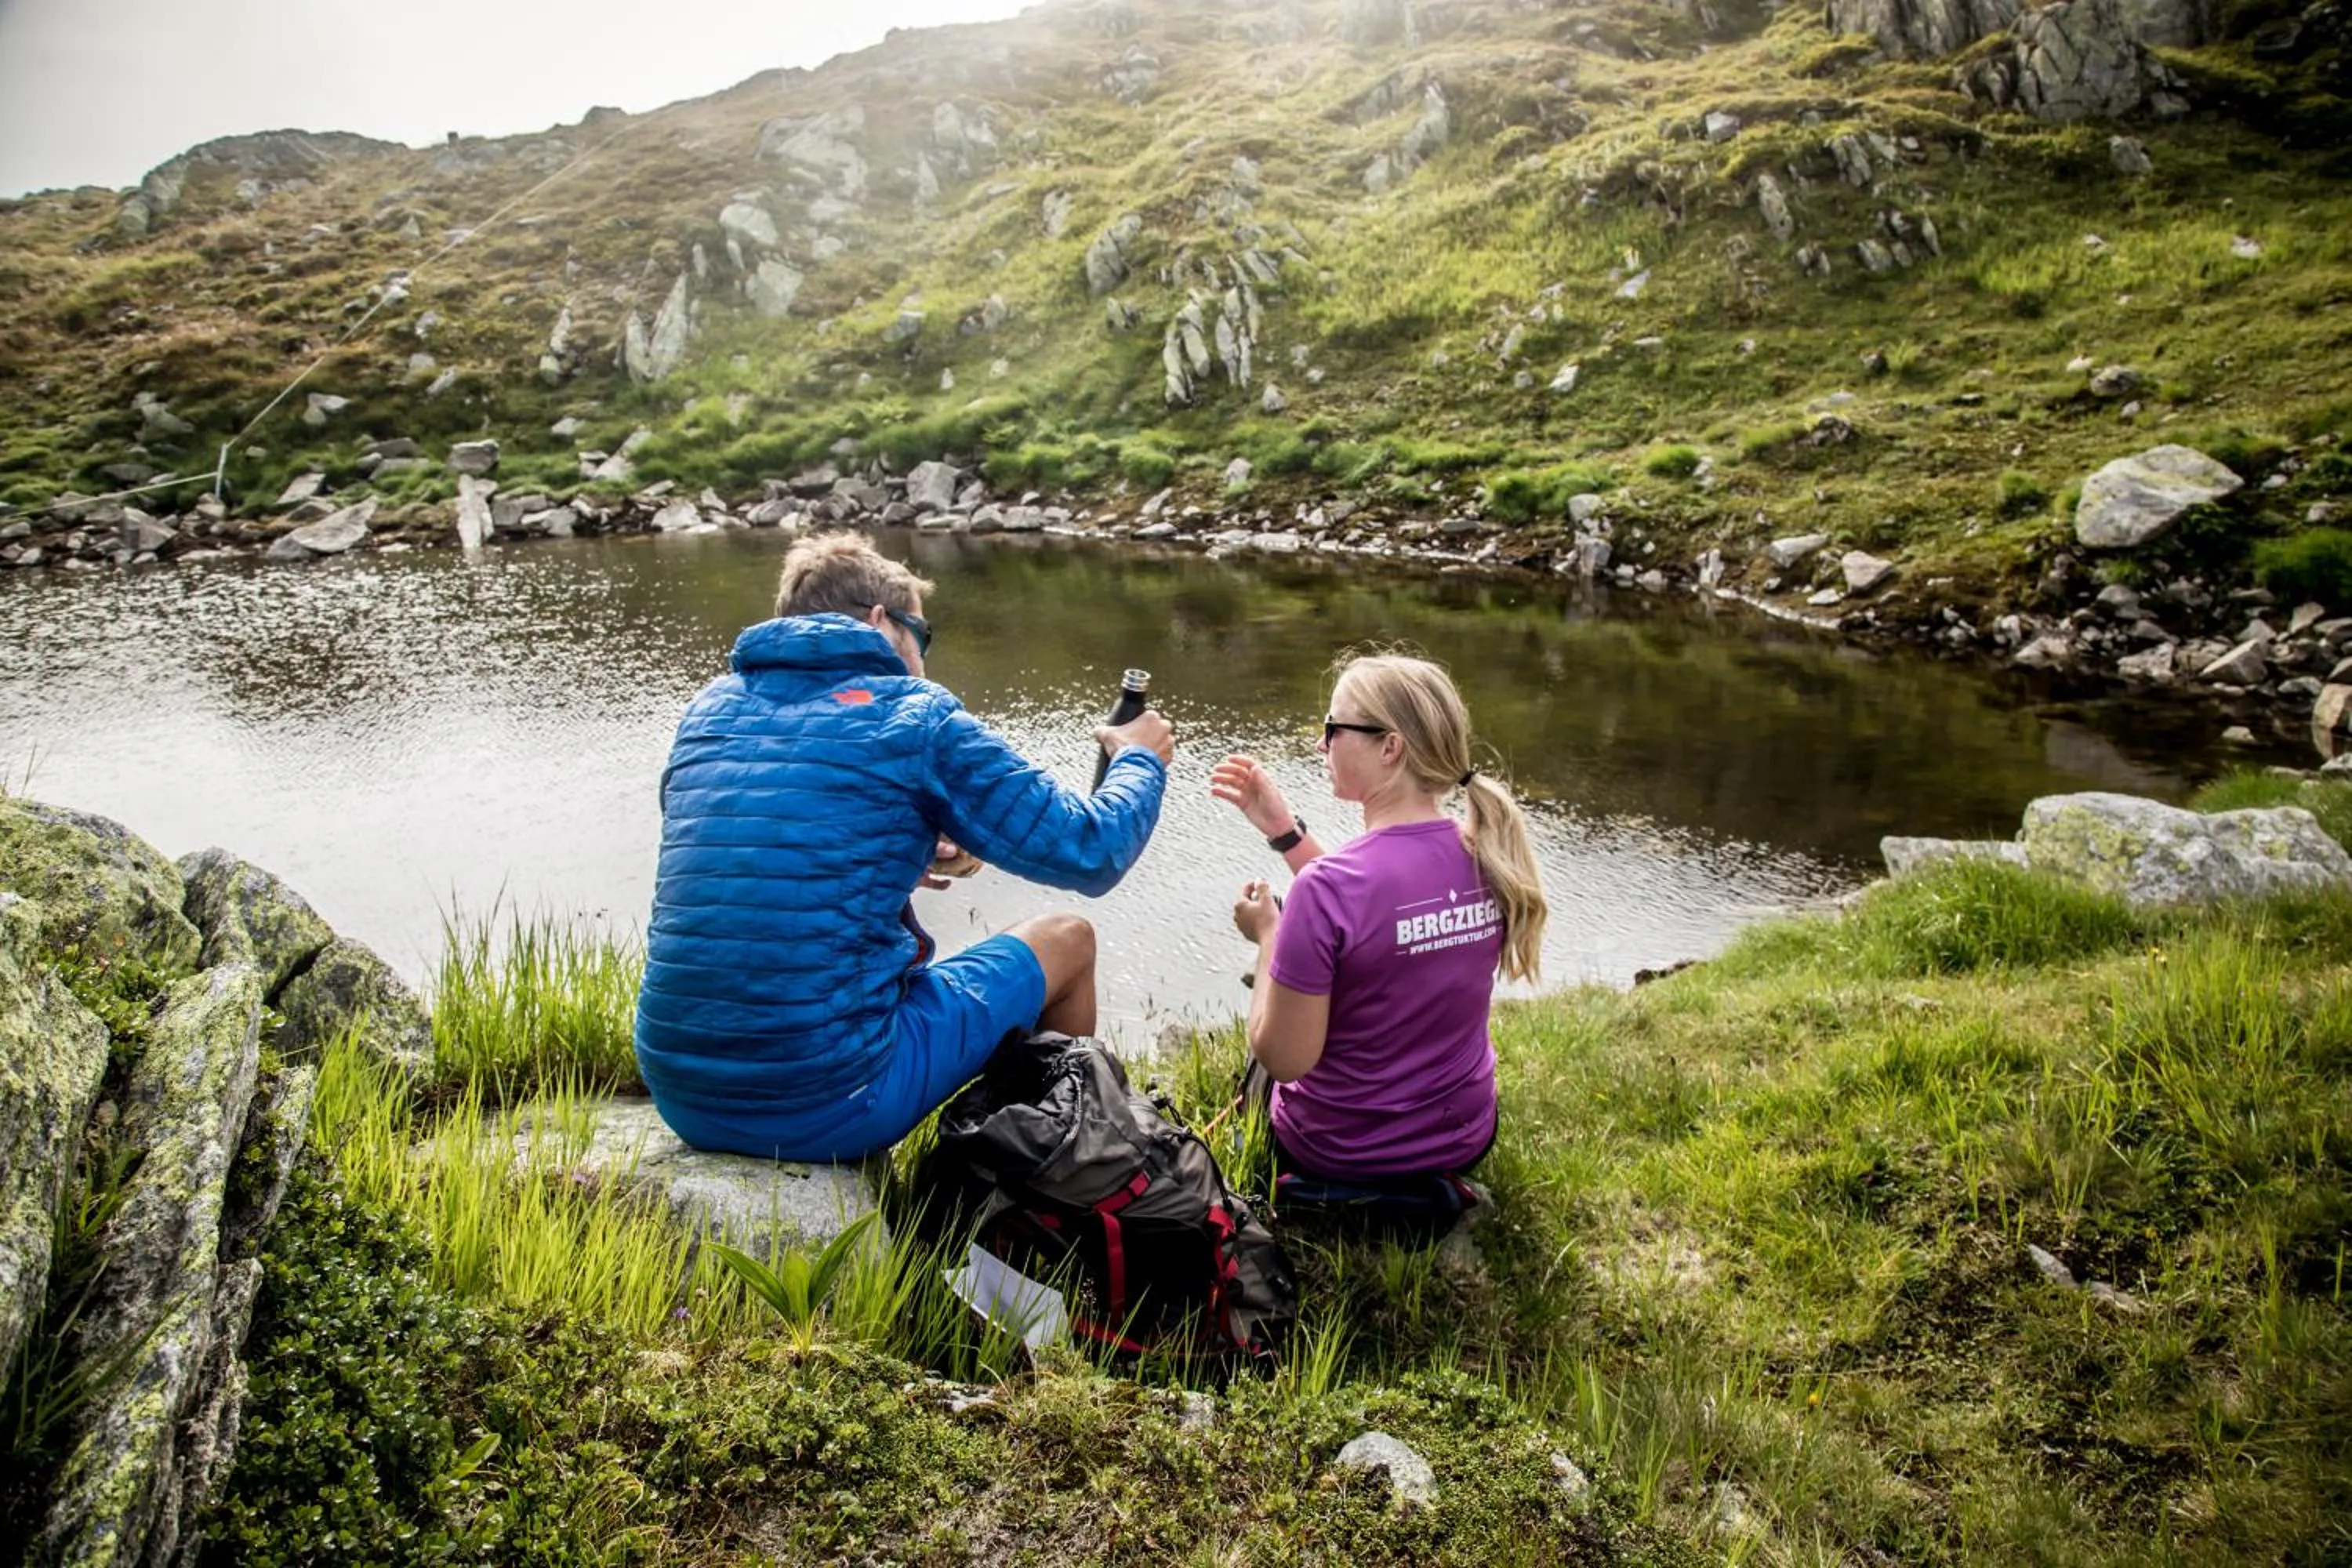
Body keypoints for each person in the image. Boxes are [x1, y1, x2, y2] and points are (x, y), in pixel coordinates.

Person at [634, 531, 1174, 1163]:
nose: (923, 658)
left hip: (683, 1092)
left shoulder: (710, 710)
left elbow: (748, 844)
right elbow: (1092, 850)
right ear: (880, 623)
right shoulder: (912, 713)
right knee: (1069, 939)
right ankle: (1049, 1177)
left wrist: (901, 846)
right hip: (826, 1097)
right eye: (923, 637)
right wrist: (1139, 759)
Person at [1210, 652, 1547, 1182]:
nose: (1322, 744)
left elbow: (1284, 1061)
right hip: (1463, 1140)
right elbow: (1376, 907)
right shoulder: (1490, 856)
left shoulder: (1325, 890)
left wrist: (1270, 933)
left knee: (1267, 1037)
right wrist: (1284, 832)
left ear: (1390, 747)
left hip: (1339, 1154)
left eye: (1333, 728)